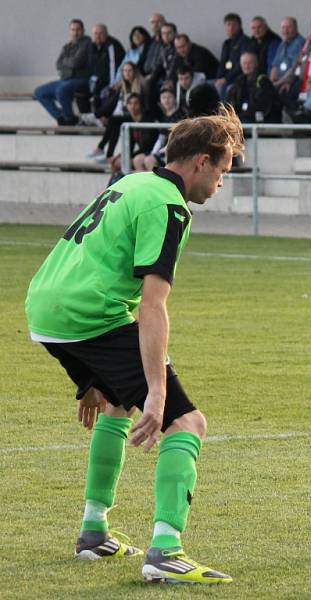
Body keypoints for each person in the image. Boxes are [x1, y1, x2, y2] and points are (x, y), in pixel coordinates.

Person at [25, 104, 245, 583]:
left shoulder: (131, 181)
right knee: (187, 421)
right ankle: (165, 551)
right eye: (224, 169)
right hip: (90, 314)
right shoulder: (169, 206)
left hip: (46, 307)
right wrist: (158, 390)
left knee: (114, 406)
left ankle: (94, 531)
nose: (223, 182)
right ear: (201, 162)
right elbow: (151, 305)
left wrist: (92, 377)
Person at [34, 19, 91, 126]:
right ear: (70, 31)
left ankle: (70, 119)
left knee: (62, 90)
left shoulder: (87, 43)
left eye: (78, 30)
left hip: (81, 80)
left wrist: (66, 62)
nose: (75, 32)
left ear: (83, 31)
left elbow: (76, 62)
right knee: (39, 92)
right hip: (65, 80)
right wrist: (68, 63)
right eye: (73, 30)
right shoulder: (67, 46)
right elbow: (58, 64)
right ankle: (61, 118)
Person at [87, 62, 145, 162]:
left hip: (138, 116)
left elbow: (138, 106)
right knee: (115, 124)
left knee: (114, 120)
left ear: (134, 72)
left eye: (129, 70)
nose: (127, 73)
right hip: (125, 115)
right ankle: (108, 155)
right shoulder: (124, 86)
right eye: (124, 71)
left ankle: (102, 148)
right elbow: (116, 104)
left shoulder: (140, 85)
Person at [227, 51, 282, 123]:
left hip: (262, 120)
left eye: (250, 63)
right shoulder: (239, 81)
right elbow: (231, 100)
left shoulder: (263, 81)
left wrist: (240, 115)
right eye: (244, 63)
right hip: (243, 117)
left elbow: (261, 106)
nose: (247, 66)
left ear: (256, 64)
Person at [141, 87, 185, 171]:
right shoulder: (163, 117)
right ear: (160, 101)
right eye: (164, 97)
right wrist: (154, 152)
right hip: (163, 151)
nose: (166, 100)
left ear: (175, 99)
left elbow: (176, 139)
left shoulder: (180, 115)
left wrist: (160, 152)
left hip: (175, 151)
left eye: (169, 97)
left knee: (149, 160)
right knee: (139, 160)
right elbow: (161, 138)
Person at [87, 24, 125, 117]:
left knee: (106, 93)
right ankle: (96, 118)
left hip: (112, 80)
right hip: (98, 80)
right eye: (96, 33)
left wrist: (112, 85)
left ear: (106, 34)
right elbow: (92, 66)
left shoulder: (112, 45)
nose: (98, 36)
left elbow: (113, 66)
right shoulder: (92, 46)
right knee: (91, 93)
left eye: (101, 33)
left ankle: (101, 117)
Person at [270, 17, 305, 110]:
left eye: (289, 27)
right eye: (283, 27)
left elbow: (295, 68)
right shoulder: (282, 44)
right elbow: (275, 66)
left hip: (292, 80)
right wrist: (271, 81)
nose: (286, 30)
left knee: (284, 93)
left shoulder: (300, 43)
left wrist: (279, 83)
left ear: (296, 28)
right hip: (279, 81)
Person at [215, 13, 250, 97]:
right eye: (228, 25)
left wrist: (226, 79)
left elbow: (241, 65)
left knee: (225, 89)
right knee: (205, 85)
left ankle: (224, 110)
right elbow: (222, 63)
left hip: (238, 79)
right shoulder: (226, 43)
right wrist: (218, 78)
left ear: (240, 26)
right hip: (225, 78)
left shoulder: (245, 41)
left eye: (234, 25)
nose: (231, 28)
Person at [141, 13, 166, 78]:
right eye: (152, 22)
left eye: (158, 22)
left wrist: (152, 75)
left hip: (160, 77)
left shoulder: (167, 41)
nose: (155, 25)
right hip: (145, 76)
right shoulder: (148, 42)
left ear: (164, 23)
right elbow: (142, 60)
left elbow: (162, 62)